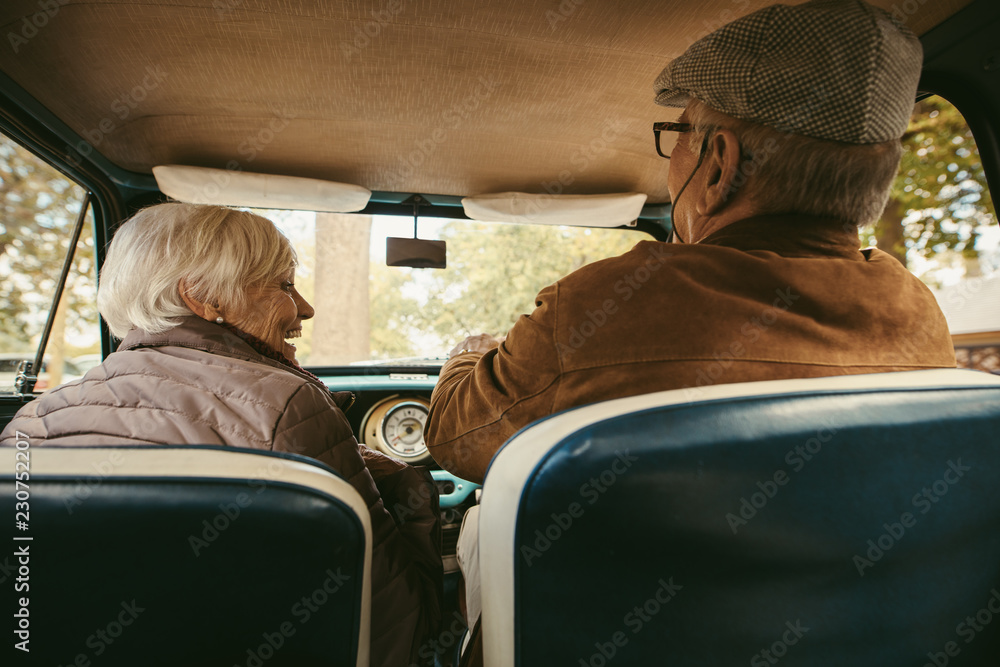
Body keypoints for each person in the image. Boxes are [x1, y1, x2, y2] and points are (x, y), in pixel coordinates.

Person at [425, 0, 957, 661]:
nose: (670, 163)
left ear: (718, 162)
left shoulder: (604, 307)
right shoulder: (918, 314)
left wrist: (463, 359)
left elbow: (454, 435)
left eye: (676, 137)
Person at [0, 203, 442, 667]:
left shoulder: (30, 423)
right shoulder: (288, 408)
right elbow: (398, 638)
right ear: (203, 298)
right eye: (285, 284)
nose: (305, 309)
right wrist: (404, 484)